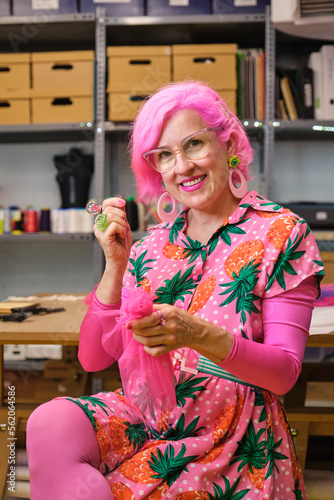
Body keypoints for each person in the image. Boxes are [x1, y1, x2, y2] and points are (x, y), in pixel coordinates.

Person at [27, 81, 324, 500]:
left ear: (229, 144)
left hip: (233, 434)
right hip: (149, 420)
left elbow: (284, 375)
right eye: (164, 155)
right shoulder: (151, 245)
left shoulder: (281, 233)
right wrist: (116, 265)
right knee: (50, 421)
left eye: (194, 145)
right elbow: (93, 357)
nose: (181, 167)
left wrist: (199, 335)